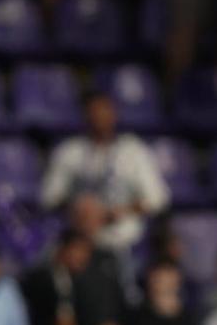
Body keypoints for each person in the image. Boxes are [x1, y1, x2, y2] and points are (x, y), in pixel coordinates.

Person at [40, 91, 170, 255]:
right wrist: (78, 208)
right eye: (94, 113)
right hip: (80, 246)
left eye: (105, 112)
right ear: (85, 116)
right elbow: (48, 198)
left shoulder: (133, 150)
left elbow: (158, 199)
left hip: (125, 243)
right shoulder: (70, 151)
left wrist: (114, 213)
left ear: (114, 114)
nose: (100, 118)